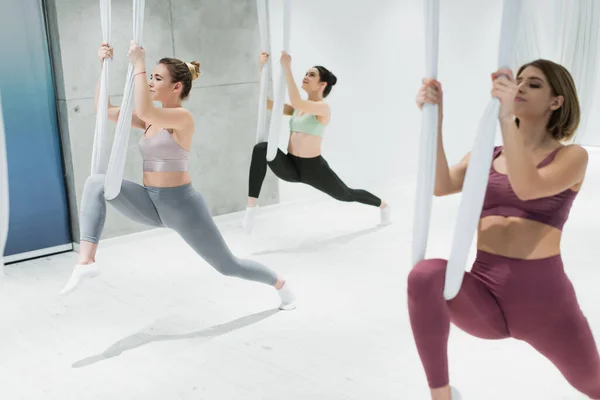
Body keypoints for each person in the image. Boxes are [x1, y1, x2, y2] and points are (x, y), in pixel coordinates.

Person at [408, 59, 600, 400]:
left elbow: (527, 187)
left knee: (595, 386)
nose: (520, 87)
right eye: (519, 81)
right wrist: (433, 118)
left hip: (546, 306)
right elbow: (440, 184)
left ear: (557, 102)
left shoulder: (573, 157)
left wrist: (504, 118)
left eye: (534, 84)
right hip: (486, 301)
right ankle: (441, 395)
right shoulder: (486, 154)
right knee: (424, 276)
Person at [60, 41, 296, 311]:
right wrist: (104, 66)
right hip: (149, 202)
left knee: (228, 266)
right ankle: (86, 262)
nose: (150, 81)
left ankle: (281, 284)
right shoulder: (149, 119)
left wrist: (139, 64)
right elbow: (105, 110)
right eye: (150, 76)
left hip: (182, 207)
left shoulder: (182, 118)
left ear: (177, 87)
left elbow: (147, 109)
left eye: (157, 78)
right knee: (96, 183)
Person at [243, 51, 391, 232]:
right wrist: (262, 69)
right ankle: (251, 207)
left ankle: (383, 205)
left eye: (311, 75)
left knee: (346, 194)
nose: (305, 76)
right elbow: (265, 103)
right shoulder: (298, 108)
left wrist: (287, 68)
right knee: (261, 148)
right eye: (306, 73)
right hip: (290, 167)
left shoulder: (323, 109)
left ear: (322, 84)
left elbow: (297, 102)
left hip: (314, 169)